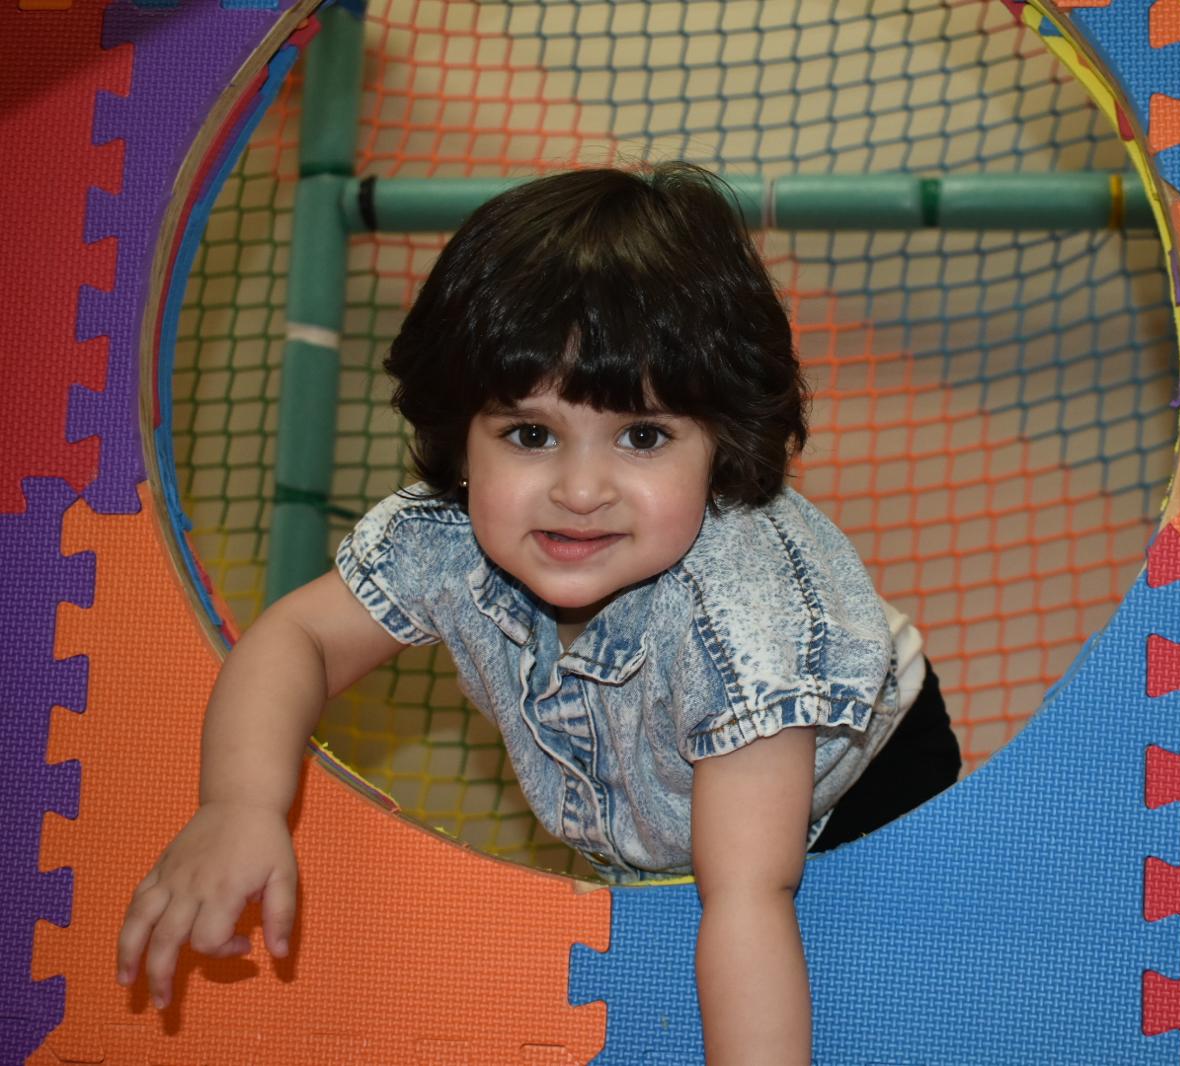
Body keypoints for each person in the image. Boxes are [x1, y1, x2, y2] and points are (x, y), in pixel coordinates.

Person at [115, 162, 961, 1061]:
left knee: (819, 956)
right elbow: (301, 637)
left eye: (643, 436)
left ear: (722, 444)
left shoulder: (745, 628)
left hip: (862, 778)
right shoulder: (445, 537)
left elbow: (747, 898)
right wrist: (241, 803)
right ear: (464, 441)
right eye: (530, 434)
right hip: (659, 795)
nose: (580, 489)